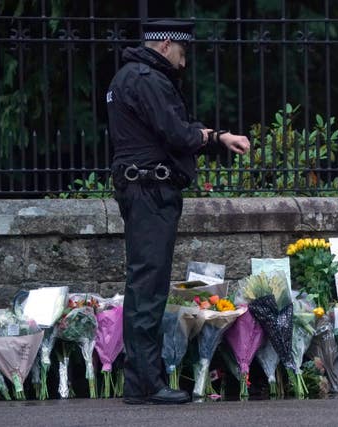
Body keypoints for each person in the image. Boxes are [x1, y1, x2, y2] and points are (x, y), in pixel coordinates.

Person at [106, 19, 250, 405]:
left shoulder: (129, 77)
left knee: (144, 285)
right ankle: (145, 384)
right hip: (150, 191)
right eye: (183, 54)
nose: (184, 64)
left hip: (142, 189)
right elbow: (178, 134)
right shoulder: (147, 79)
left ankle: (141, 381)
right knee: (148, 287)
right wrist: (208, 137)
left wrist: (215, 136)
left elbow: (171, 129)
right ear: (166, 44)